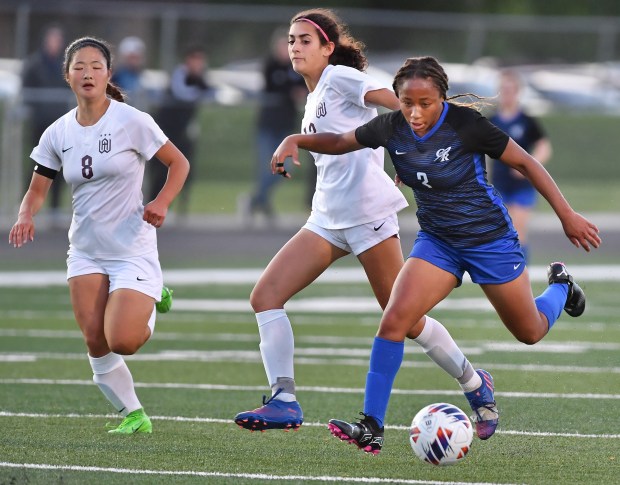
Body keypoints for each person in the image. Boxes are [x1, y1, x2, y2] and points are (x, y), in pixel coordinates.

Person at [271, 56, 600, 454]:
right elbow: (342, 142)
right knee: (394, 319)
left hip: (489, 241)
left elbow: (526, 163)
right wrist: (296, 140)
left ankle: (561, 287)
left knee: (529, 331)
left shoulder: (466, 124)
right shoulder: (392, 126)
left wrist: (567, 216)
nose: (414, 112)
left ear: (441, 98)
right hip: (437, 243)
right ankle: (372, 424)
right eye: (406, 102)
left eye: (424, 103)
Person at [234, 10, 482, 439]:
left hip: (367, 214)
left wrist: (415, 148)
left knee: (405, 318)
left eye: (305, 40)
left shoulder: (339, 78)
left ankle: (474, 383)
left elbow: (398, 103)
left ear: (328, 47)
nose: (295, 46)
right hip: (327, 217)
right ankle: (284, 400)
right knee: (266, 296)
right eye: (292, 40)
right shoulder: (312, 95)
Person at [8, 37, 190, 434]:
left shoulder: (131, 120)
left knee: (123, 340)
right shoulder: (57, 132)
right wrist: (25, 214)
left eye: (95, 66)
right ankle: (133, 414)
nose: (87, 73)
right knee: (95, 340)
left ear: (109, 74)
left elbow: (179, 163)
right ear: (67, 75)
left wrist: (160, 202)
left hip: (131, 248)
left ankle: (154, 291)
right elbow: (38, 189)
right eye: (79, 67)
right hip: (86, 250)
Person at [243, 27, 307, 224]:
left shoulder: (296, 65)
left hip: (286, 127)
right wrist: (291, 91)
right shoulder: (270, 65)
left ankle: (254, 200)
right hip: (267, 126)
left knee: (285, 168)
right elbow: (273, 85)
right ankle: (261, 203)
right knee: (268, 168)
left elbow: (304, 86)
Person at [490, 69, 553, 263]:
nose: (507, 93)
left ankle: (522, 275)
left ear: (518, 91)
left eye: (511, 89)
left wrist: (529, 165)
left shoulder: (526, 121)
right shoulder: (491, 121)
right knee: (501, 233)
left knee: (517, 232)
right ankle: (505, 276)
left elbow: (544, 147)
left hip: (521, 186)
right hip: (499, 184)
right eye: (503, 89)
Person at [148, 44, 213, 218]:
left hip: (184, 133)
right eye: (195, 60)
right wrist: (199, 94)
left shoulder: (199, 78)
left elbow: (211, 92)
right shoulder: (180, 75)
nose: (198, 64)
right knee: (161, 171)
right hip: (167, 131)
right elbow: (182, 93)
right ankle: (152, 205)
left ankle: (180, 209)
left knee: (185, 169)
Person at [21, 24, 72, 225]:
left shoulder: (64, 65)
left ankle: (54, 211)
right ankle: (26, 211)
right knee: (37, 167)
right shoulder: (34, 64)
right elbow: (26, 90)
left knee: (59, 168)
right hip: (40, 125)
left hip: (60, 125)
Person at [111, 36, 150, 110]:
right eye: (131, 57)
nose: (134, 61)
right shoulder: (116, 77)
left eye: (136, 57)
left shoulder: (145, 77)